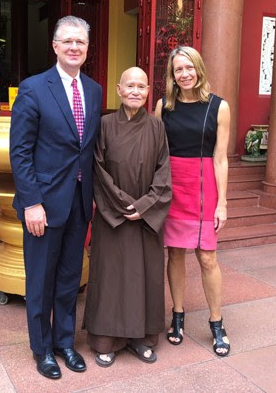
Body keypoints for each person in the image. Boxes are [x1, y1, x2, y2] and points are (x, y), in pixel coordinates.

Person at [10, 16, 102, 379]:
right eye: (68, 42)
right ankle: (42, 349)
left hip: (80, 202)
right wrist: (31, 202)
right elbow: (20, 152)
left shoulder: (93, 91)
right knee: (40, 282)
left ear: (87, 48)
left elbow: (89, 149)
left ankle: (65, 343)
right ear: (55, 46)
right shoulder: (33, 88)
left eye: (80, 42)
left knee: (68, 279)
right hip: (43, 206)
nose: (74, 48)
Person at [84, 67, 172, 367]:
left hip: (146, 218)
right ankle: (106, 341)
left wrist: (146, 205)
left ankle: (142, 339)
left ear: (149, 92)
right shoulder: (104, 124)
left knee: (144, 276)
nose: (135, 91)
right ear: (119, 90)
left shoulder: (157, 126)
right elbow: (97, 169)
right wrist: (123, 205)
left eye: (141, 87)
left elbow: (164, 171)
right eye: (130, 86)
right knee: (111, 277)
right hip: (114, 216)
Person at [154, 46, 231, 357]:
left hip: (203, 189)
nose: (184, 74)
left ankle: (217, 323)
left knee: (207, 258)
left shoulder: (219, 107)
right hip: (172, 187)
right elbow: (154, 152)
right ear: (172, 76)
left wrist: (222, 202)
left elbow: (221, 158)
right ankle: (178, 315)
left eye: (189, 68)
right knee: (174, 254)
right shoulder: (163, 106)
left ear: (199, 69)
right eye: (178, 70)